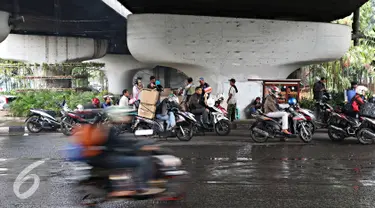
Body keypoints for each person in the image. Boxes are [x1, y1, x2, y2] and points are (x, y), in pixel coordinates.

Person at [75, 123, 162, 196]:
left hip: (104, 158)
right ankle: (140, 187)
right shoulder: (106, 130)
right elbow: (120, 144)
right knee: (143, 161)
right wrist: (139, 147)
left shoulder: (97, 129)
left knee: (135, 158)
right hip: (109, 158)